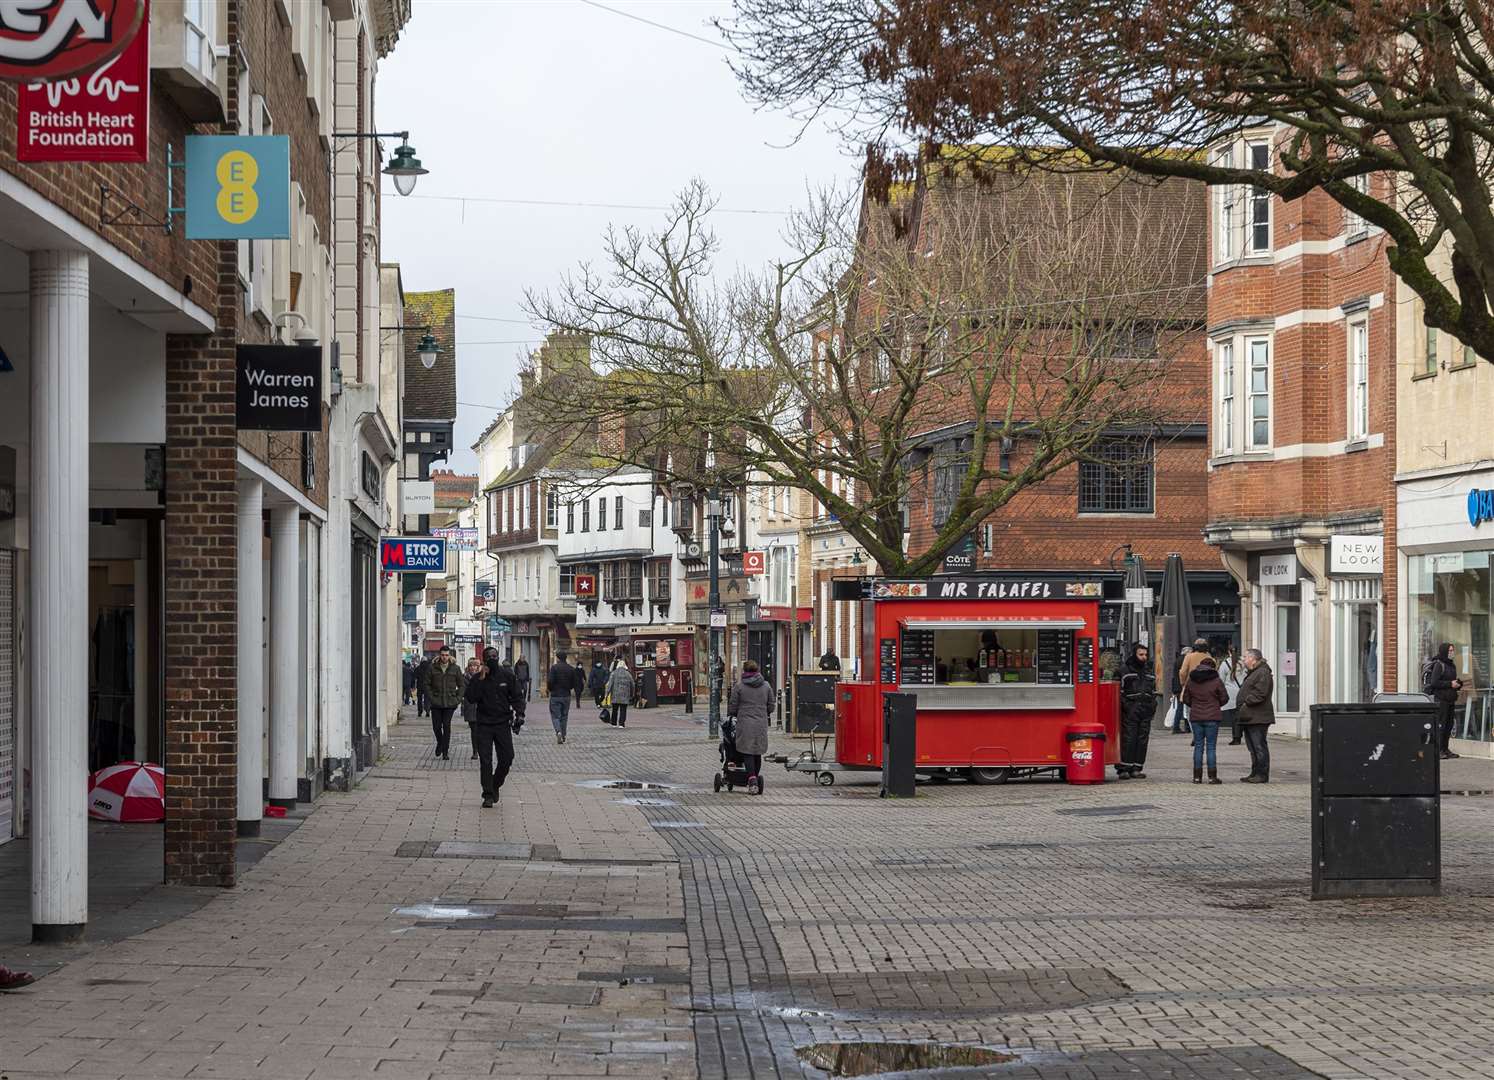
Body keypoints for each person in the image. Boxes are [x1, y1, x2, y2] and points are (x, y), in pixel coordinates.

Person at [464, 651, 521, 807]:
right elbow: (470, 697)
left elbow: (516, 696)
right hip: (484, 724)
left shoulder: (507, 676)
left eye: (495, 657)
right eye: (489, 657)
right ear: (484, 660)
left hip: (502, 723)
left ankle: (495, 784)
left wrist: (520, 715)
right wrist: (479, 679)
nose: (493, 660)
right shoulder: (479, 678)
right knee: (486, 760)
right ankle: (488, 794)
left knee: (507, 757)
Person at [728, 659, 775, 795]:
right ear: (757, 670)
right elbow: (771, 705)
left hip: (745, 723)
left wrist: (735, 713)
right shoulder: (766, 686)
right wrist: (763, 712)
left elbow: (733, 705)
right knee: (757, 751)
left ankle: (752, 780)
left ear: (744, 671)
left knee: (747, 751)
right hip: (760, 723)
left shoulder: (740, 686)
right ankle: (754, 778)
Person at [1181, 654, 1227, 784]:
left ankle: (1197, 776)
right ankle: (1212, 777)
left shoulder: (1192, 679)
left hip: (1196, 717)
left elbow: (1186, 699)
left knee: (1198, 747)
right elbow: (1224, 698)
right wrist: (1216, 705)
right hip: (1212, 717)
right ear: (1213, 667)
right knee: (1211, 747)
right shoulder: (1216, 680)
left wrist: (1195, 706)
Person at [1117, 643, 1155, 779]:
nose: (1144, 657)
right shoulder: (1124, 670)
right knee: (1129, 738)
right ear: (1134, 654)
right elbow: (1118, 693)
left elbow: (1153, 691)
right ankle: (1124, 768)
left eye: (1145, 654)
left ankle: (1137, 767)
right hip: (1131, 709)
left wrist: (1152, 707)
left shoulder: (1149, 671)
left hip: (1145, 708)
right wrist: (1127, 707)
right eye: (1141, 654)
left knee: (1142, 739)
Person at [1237, 648, 1275, 782]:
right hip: (1251, 716)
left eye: (1246, 657)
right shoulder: (1254, 672)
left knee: (1259, 746)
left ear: (1253, 659)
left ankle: (1262, 774)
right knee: (1252, 747)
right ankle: (1255, 773)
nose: (1244, 660)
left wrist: (1246, 702)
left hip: (1258, 716)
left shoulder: (1263, 672)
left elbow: (1260, 694)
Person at [426, 646, 465, 760]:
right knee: (436, 726)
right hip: (436, 702)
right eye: (443, 655)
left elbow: (462, 685)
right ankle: (440, 742)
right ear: (439, 655)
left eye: (446, 655)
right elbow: (426, 684)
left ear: (449, 655)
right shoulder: (432, 668)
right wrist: (431, 697)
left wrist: (457, 698)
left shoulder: (455, 668)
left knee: (446, 726)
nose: (444, 657)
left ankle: (445, 751)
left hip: (450, 702)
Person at [1427, 643, 1464, 759]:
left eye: (1453, 650)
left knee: (1449, 725)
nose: (1452, 653)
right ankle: (1439, 750)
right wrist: (1449, 684)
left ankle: (1445, 749)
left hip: (1450, 699)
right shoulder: (1439, 665)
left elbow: (1451, 681)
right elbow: (1434, 682)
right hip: (1441, 699)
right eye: (1450, 651)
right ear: (1444, 651)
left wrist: (1458, 684)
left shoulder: (1451, 665)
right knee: (1441, 726)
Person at [547, 650, 579, 743]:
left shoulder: (554, 668)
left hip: (555, 695)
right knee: (564, 716)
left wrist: (550, 689)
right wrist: (569, 687)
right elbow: (574, 683)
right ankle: (563, 735)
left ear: (557, 658)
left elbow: (550, 681)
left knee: (555, 716)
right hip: (566, 695)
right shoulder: (570, 669)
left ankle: (558, 731)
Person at [1218, 646, 1244, 744]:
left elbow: (1221, 679)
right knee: (1241, 715)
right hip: (1242, 692)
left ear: (1228, 652)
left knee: (1234, 717)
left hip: (1231, 693)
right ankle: (1240, 735)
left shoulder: (1225, 664)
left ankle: (1236, 737)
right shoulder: (1243, 663)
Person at [461, 656, 483, 758]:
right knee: (474, 730)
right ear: (468, 667)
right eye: (471, 666)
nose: (473, 668)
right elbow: (463, 692)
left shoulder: (482, 677)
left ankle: (480, 749)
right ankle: (475, 751)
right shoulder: (465, 678)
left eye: (476, 666)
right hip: (470, 707)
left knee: (481, 731)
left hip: (481, 707)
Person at [606, 659, 635, 727]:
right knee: (623, 710)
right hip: (625, 695)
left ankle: (614, 723)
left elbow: (610, 684)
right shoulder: (628, 674)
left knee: (614, 709)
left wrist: (607, 693)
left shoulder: (613, 673)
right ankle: (621, 724)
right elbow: (632, 684)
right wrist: (632, 693)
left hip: (615, 695)